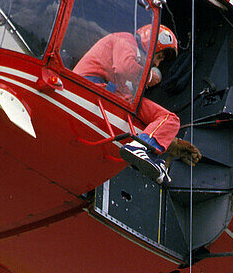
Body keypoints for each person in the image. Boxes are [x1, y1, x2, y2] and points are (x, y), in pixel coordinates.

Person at [73, 24, 181, 185]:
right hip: (95, 88)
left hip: (103, 91)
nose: (157, 64)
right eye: (159, 57)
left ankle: (150, 153)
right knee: (169, 118)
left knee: (164, 119)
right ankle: (142, 147)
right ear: (154, 43)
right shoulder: (126, 40)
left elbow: (121, 79)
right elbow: (123, 69)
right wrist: (149, 77)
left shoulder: (124, 45)